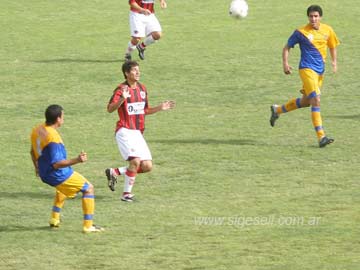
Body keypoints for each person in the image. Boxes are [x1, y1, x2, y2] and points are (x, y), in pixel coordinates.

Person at [269, 5, 340, 148]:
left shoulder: (328, 30)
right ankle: (321, 137)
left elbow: (332, 45)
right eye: (311, 16)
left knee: (307, 101)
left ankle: (277, 110)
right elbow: (286, 47)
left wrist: (334, 62)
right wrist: (285, 64)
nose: (313, 19)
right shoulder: (301, 32)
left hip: (319, 72)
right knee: (316, 99)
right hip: (307, 70)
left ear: (320, 17)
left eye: (316, 16)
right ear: (308, 17)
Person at [105, 60, 175, 202]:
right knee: (136, 161)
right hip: (124, 130)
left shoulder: (142, 89)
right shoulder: (121, 89)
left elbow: (144, 110)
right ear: (126, 73)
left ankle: (115, 172)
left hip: (137, 132)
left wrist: (160, 108)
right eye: (134, 70)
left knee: (147, 166)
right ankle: (126, 194)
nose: (138, 72)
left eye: (138, 70)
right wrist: (122, 100)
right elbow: (110, 109)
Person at [30, 104, 104, 233]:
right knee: (88, 188)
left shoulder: (38, 129)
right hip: (57, 174)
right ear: (58, 119)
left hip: (44, 172)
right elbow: (57, 164)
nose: (63, 118)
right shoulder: (53, 138)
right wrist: (78, 160)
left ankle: (54, 218)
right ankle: (88, 225)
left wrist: (37, 167)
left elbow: (32, 151)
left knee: (63, 190)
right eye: (63, 116)